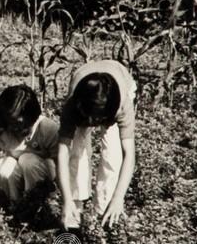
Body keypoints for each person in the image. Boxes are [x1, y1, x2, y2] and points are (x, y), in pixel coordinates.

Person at [55, 60, 138, 230]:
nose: (92, 124)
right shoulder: (72, 106)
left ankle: (103, 214)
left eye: (98, 120)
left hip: (120, 85)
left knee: (112, 156)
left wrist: (118, 198)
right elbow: (63, 153)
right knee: (77, 154)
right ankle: (74, 214)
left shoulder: (121, 105)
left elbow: (129, 154)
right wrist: (67, 200)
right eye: (90, 119)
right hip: (83, 97)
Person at [0, 84, 59, 210]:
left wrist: (63, 199)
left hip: (46, 186)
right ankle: (16, 205)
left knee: (28, 160)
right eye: (12, 122)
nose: (18, 128)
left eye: (23, 122)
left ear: (32, 115)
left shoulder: (47, 128)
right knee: (4, 166)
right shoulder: (2, 132)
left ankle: (37, 207)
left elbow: (62, 166)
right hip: (20, 182)